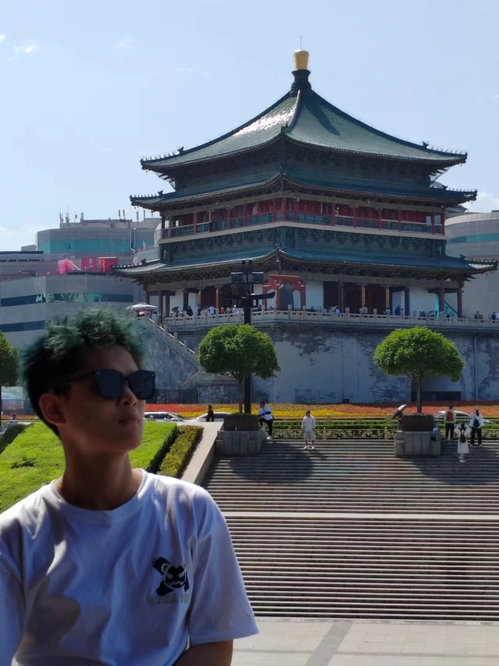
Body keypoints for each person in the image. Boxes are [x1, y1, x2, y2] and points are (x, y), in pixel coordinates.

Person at [0, 309, 257, 665]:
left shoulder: (190, 510)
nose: (130, 397)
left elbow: (213, 644)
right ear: (54, 408)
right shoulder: (14, 537)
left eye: (139, 382)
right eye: (106, 383)